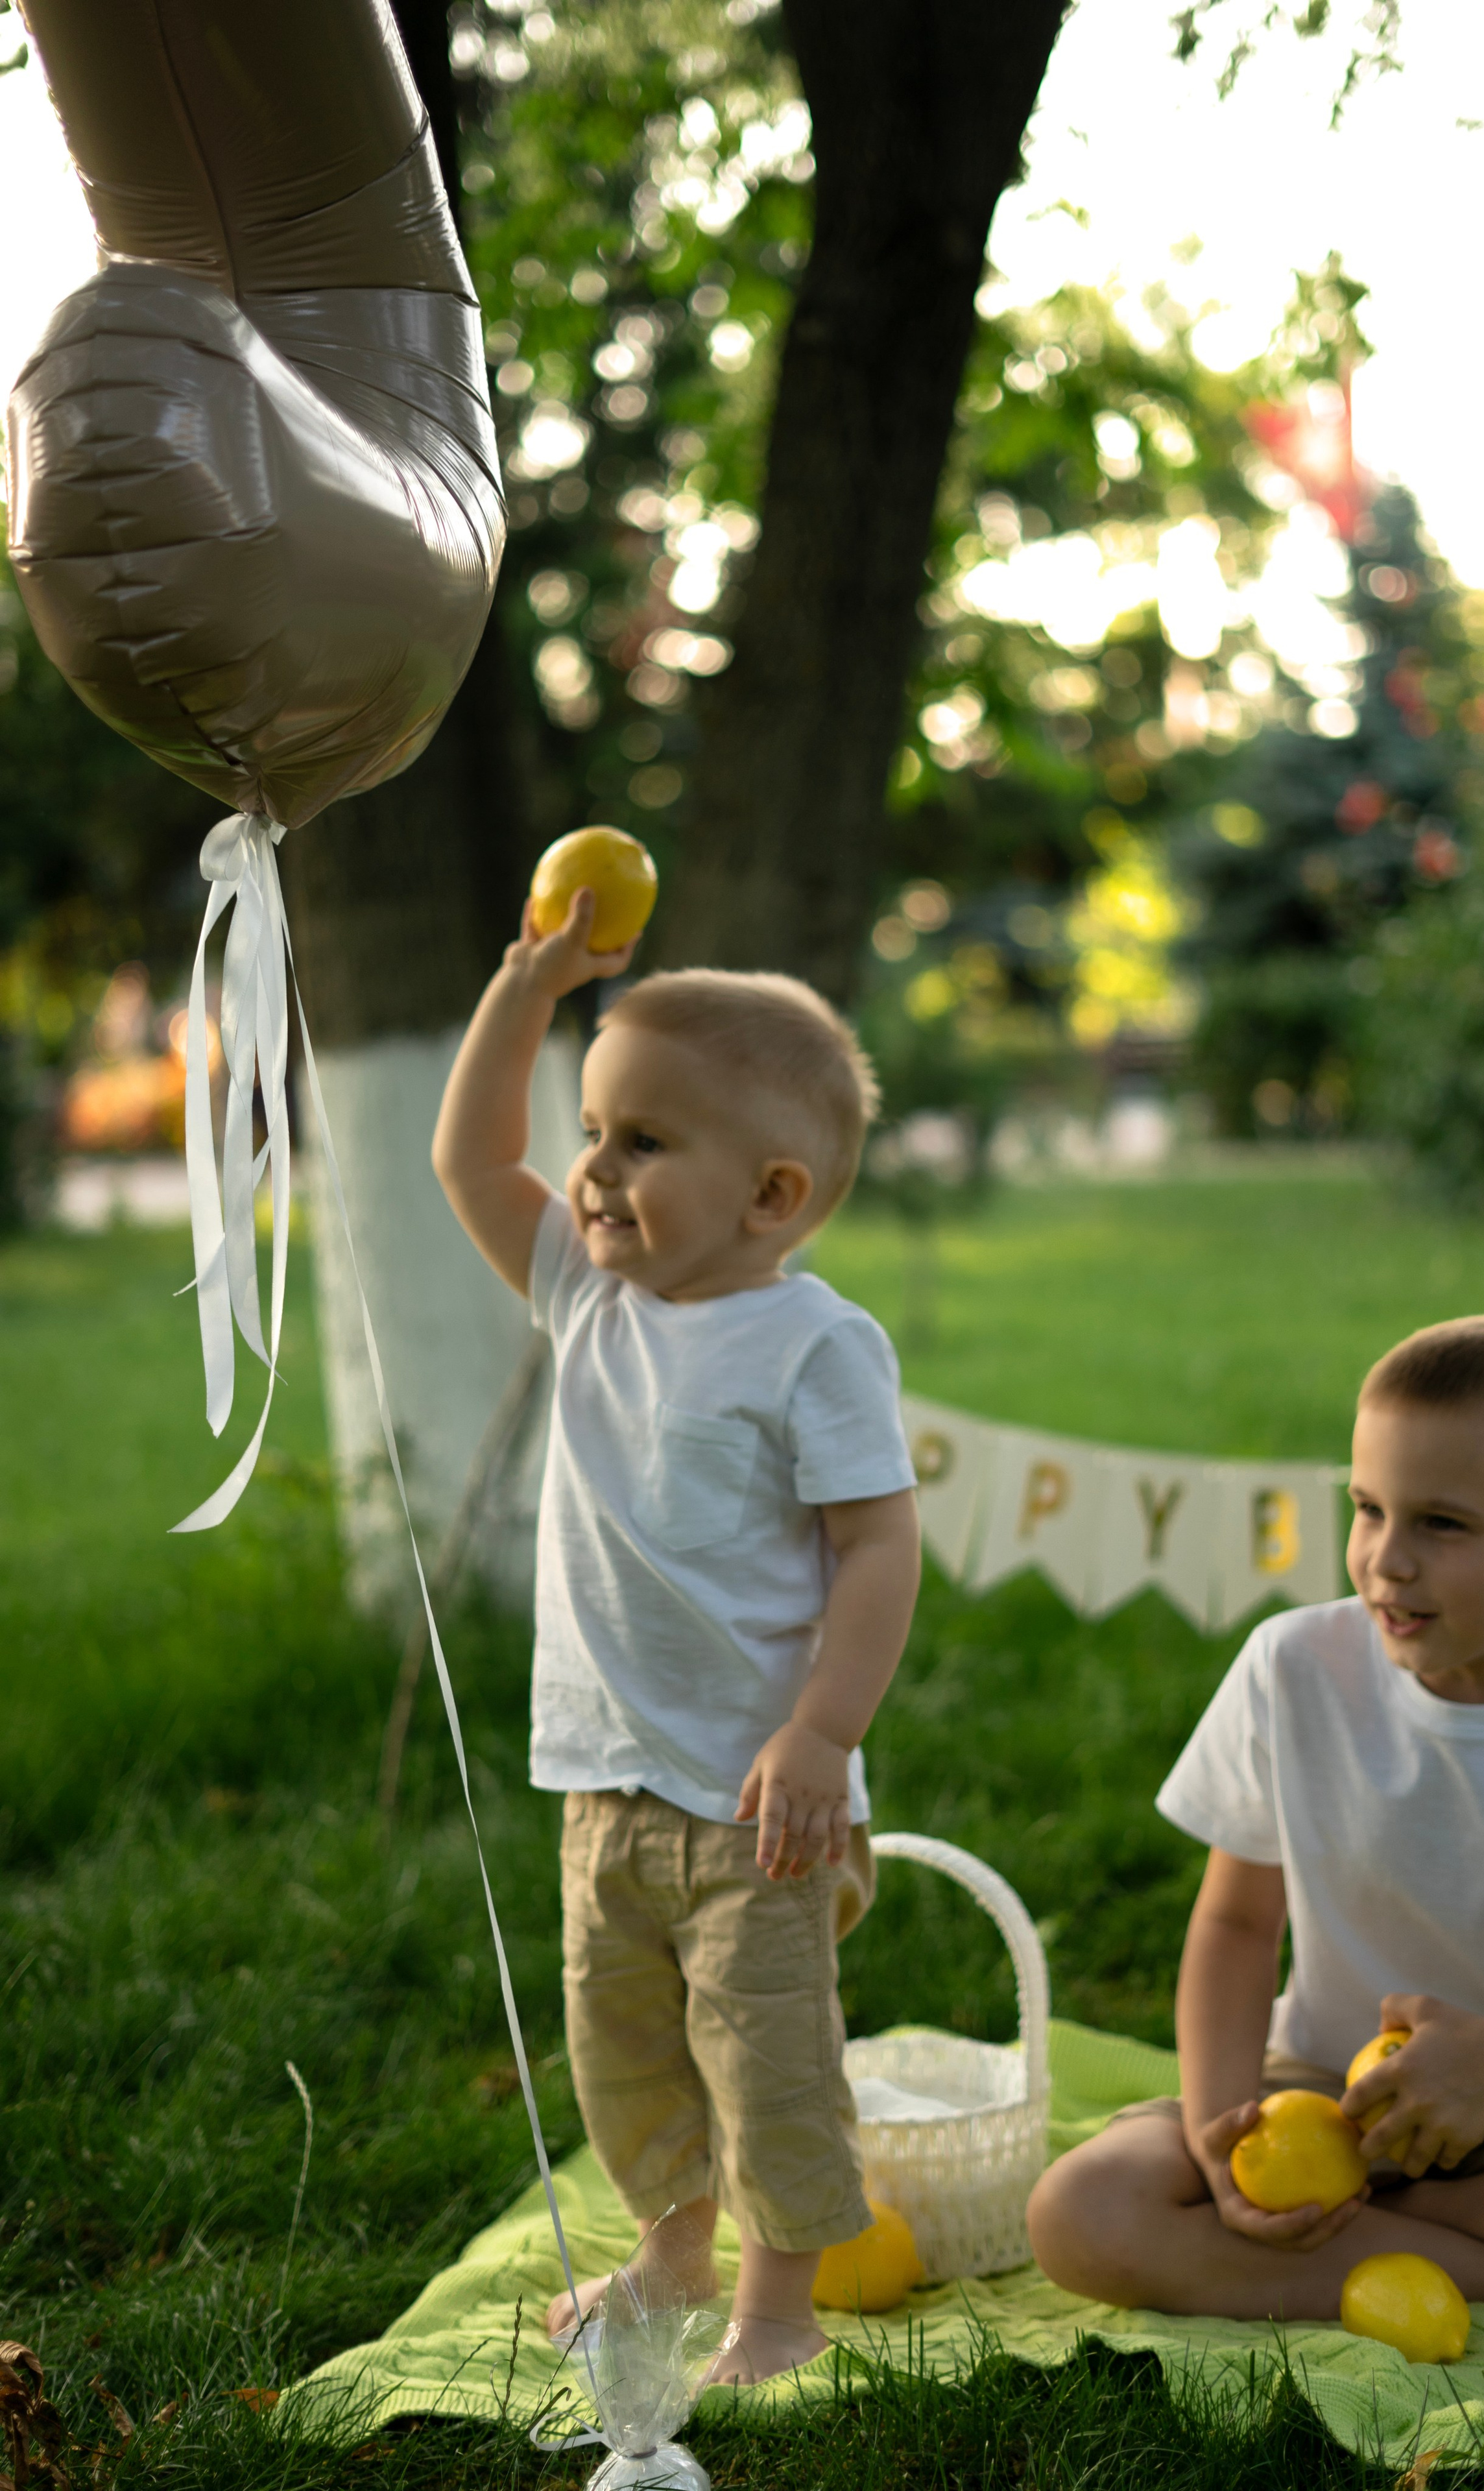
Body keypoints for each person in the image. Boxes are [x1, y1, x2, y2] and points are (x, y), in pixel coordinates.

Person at [433, 890, 921, 2382]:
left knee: (767, 2060)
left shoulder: (813, 1345)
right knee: (624, 2045)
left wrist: (820, 1733)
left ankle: (776, 2307)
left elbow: (876, 1545)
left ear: (770, 1197)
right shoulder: (587, 1296)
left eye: (642, 1143)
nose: (591, 1169)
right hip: (603, 1779)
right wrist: (528, 982)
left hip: (754, 1799)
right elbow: (469, 1156)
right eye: (594, 1128)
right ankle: (669, 2243)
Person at [1027, 1313, 1484, 2320]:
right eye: (1368, 1509)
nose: (1385, 1561)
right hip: (1327, 2098)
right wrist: (1213, 2135)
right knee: (1084, 2209)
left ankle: (1420, 2228)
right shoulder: (1294, 1669)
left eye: (1442, 1525)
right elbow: (1238, 1925)